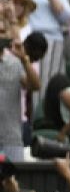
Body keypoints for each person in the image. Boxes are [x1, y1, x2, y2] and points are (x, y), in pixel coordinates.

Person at [0, 30, 42, 160]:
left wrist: (24, 59)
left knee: (14, 180)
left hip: (10, 137)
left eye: (3, 31)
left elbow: (35, 86)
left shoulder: (15, 61)